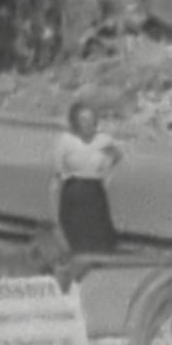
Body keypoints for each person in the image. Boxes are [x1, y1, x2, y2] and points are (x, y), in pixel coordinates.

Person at [52, 100, 123, 255]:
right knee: (76, 239)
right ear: (75, 122)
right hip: (73, 192)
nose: (88, 124)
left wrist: (106, 173)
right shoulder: (66, 141)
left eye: (91, 119)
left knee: (99, 238)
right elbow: (58, 175)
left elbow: (117, 156)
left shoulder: (103, 140)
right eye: (83, 120)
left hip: (95, 192)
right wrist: (55, 216)